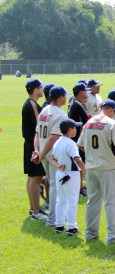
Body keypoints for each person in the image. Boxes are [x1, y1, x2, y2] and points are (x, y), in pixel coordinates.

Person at [77, 100, 115, 243]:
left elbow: (81, 146)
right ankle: (113, 235)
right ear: (112, 110)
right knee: (110, 201)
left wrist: (93, 153)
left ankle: (90, 233)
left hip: (91, 167)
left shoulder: (88, 123)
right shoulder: (112, 124)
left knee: (92, 201)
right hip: (106, 167)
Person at [33, 85, 69, 227]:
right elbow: (54, 137)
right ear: (60, 97)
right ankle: (53, 219)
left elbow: (37, 133)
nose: (65, 98)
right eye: (64, 96)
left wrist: (37, 151)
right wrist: (41, 153)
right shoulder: (60, 114)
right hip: (53, 154)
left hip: (43, 152)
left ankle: (54, 216)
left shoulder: (44, 111)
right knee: (55, 186)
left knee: (52, 183)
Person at [50, 118, 86, 236]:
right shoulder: (71, 144)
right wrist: (86, 170)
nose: (76, 130)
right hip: (71, 174)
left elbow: (52, 159)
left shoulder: (58, 142)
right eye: (74, 128)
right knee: (72, 201)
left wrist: (58, 165)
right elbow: (77, 159)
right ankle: (72, 227)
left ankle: (59, 225)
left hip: (60, 174)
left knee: (61, 200)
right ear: (69, 130)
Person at [22, 78, 47, 220]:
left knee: (32, 177)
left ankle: (34, 209)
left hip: (30, 144)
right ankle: (36, 211)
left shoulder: (31, 103)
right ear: (35, 89)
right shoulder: (32, 104)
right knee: (36, 178)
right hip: (33, 145)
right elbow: (39, 126)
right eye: (41, 87)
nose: (42, 90)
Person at [68, 82, 92, 196]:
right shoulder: (77, 104)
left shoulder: (78, 102)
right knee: (80, 163)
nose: (87, 92)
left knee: (81, 162)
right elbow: (89, 118)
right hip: (78, 138)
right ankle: (80, 188)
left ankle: (81, 186)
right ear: (79, 92)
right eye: (84, 91)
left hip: (78, 137)